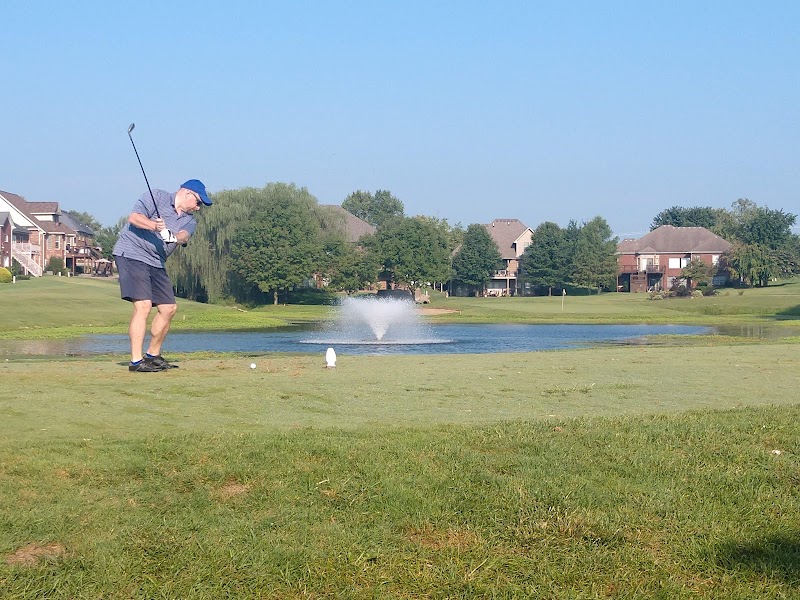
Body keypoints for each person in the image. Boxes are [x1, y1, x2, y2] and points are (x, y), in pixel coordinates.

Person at [112, 180, 212, 372]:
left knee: (168, 308)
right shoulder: (156, 196)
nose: (198, 208)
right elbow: (134, 218)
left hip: (156, 261)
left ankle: (152, 355)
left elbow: (185, 236)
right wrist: (154, 226)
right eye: (198, 202)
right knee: (143, 305)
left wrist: (172, 237)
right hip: (132, 253)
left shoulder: (189, 220)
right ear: (187, 193)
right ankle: (136, 361)